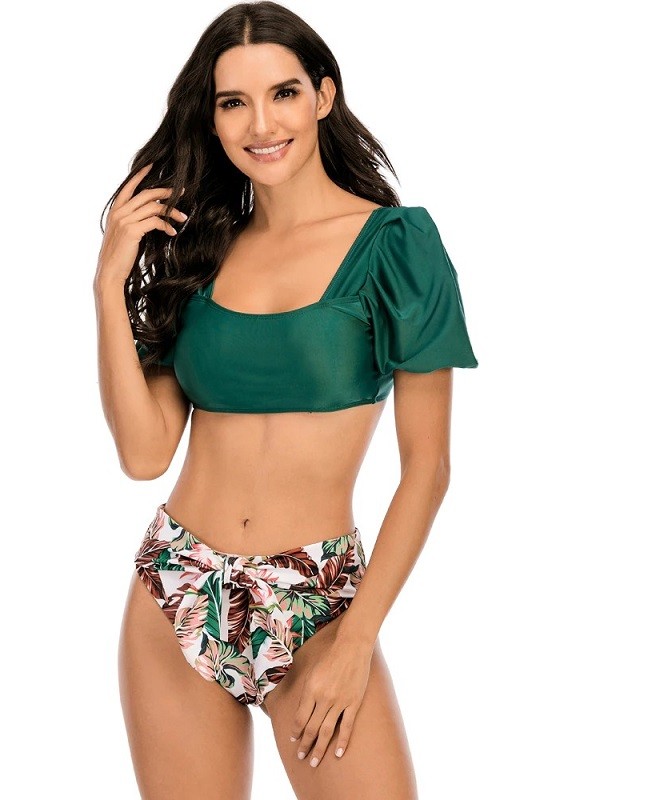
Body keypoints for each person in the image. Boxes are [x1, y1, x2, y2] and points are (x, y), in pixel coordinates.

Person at [93, 2, 478, 798]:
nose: (261, 124)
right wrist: (108, 283)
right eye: (234, 102)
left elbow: (429, 468)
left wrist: (357, 640)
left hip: (318, 604)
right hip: (177, 586)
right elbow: (144, 454)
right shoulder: (196, 250)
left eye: (284, 93)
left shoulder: (397, 247)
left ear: (324, 96)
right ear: (213, 118)